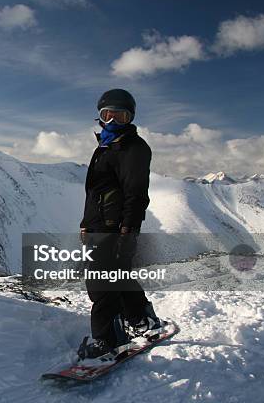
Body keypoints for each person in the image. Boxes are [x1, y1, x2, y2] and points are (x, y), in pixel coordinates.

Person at [77, 88, 162, 360]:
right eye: (108, 115)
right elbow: (95, 193)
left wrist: (129, 231)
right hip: (99, 226)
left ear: (131, 118)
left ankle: (106, 340)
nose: (113, 121)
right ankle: (141, 319)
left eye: (120, 116)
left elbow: (137, 194)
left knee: (100, 282)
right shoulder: (104, 147)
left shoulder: (133, 148)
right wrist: (85, 225)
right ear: (100, 117)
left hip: (115, 228)